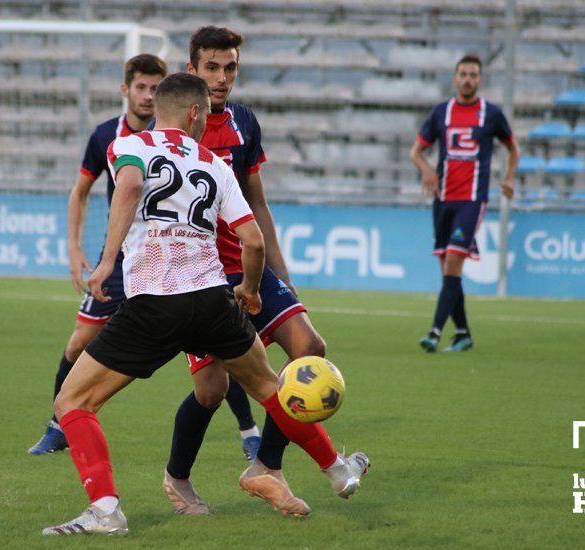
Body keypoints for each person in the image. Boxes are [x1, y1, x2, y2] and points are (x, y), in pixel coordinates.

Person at [41, 73, 368, 536]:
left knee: (73, 399)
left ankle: (106, 510)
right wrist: (250, 291)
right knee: (271, 388)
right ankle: (338, 471)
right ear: (196, 113)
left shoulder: (129, 146)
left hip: (154, 303)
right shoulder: (214, 163)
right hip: (214, 300)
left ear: (161, 108)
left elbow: (130, 189)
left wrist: (107, 259)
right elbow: (252, 240)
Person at [161, 26, 350, 517]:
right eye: (212, 68)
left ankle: (265, 466)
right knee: (212, 390)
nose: (222, 78)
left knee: (310, 346)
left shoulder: (245, 123)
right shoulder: (172, 134)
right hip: (201, 277)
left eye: (230, 68)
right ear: (191, 71)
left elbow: (257, 203)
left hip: (251, 264)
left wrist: (281, 276)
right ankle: (177, 478)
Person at [27, 54, 168, 455]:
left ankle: (250, 433)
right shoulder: (106, 135)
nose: (147, 96)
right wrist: (74, 247)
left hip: (164, 258)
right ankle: (59, 429)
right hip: (120, 260)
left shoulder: (171, 136)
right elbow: (80, 191)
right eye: (140, 87)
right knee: (77, 346)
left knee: (212, 352)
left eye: (156, 88)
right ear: (126, 90)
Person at [409, 54, 520, 353]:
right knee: (448, 269)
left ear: (480, 79)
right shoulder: (441, 112)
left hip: (472, 200)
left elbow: (513, 148)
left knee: (455, 262)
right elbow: (416, 151)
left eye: (473, 74)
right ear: (456, 78)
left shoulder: (491, 114)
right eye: (463, 74)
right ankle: (463, 333)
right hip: (443, 199)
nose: (468, 79)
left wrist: (508, 179)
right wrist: (428, 169)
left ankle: (433, 332)